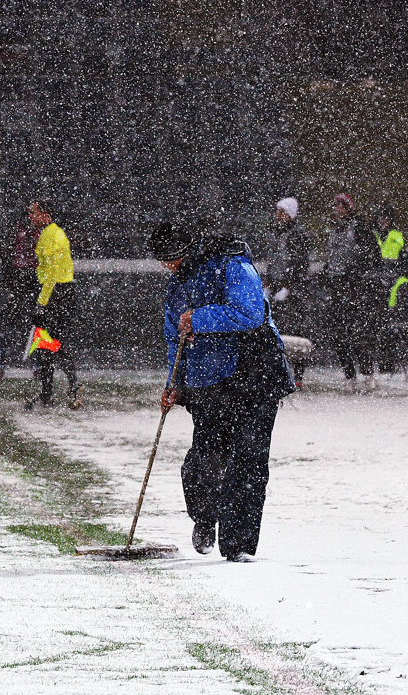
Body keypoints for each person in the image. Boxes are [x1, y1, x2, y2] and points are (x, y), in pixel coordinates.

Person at [149, 221, 295, 564]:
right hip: (209, 382)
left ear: (184, 252)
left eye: (169, 259)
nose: (166, 267)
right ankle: (204, 516)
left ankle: (239, 546)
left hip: (255, 373)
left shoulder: (233, 266)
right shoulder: (179, 284)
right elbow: (176, 339)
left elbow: (250, 313)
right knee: (204, 461)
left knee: (249, 461)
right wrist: (175, 384)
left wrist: (199, 318)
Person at [27, 199, 82, 409]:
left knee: (49, 345)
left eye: (34, 213)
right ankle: (62, 390)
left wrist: (41, 304)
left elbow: (50, 274)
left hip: (56, 294)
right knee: (50, 344)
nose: (31, 217)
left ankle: (57, 392)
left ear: (45, 214)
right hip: (60, 294)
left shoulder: (51, 236)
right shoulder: (53, 233)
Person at [324, 193, 380, 391]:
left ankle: (367, 373)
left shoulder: (360, 228)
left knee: (358, 334)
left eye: (341, 206)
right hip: (337, 289)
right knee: (339, 335)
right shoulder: (333, 231)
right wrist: (327, 273)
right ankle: (349, 375)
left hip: (355, 289)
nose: (337, 210)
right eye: (335, 206)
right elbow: (332, 258)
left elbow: (373, 256)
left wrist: (354, 273)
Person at [267, 197, 314, 385]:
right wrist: (269, 284)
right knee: (277, 332)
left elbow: (300, 265)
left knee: (296, 333)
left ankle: (298, 376)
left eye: (282, 212)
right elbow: (273, 262)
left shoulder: (298, 236)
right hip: (278, 288)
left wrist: (289, 287)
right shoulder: (276, 234)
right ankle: (280, 373)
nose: (278, 216)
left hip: (293, 292)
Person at [0, 209, 40, 381]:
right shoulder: (14, 233)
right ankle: (0, 366)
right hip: (17, 281)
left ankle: (38, 366)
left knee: (37, 326)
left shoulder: (41, 232)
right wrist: (9, 286)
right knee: (6, 325)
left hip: (34, 281)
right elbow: (5, 259)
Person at [372, 205, 406, 374]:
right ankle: (377, 362)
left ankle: (387, 363)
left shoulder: (397, 237)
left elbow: (404, 260)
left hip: (392, 286)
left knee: (389, 328)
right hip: (375, 286)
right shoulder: (373, 236)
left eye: (386, 218)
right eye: (380, 218)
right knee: (376, 327)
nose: (383, 222)